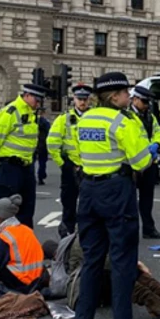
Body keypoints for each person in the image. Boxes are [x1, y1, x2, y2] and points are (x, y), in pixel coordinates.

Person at [73, 72, 152, 319]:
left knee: (92, 258)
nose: (129, 97)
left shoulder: (85, 119)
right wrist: (149, 150)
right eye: (126, 93)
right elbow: (141, 162)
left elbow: (77, 152)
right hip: (117, 191)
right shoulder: (123, 121)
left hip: (88, 190)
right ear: (115, 95)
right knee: (122, 260)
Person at [45, 236, 160, 319]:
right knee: (123, 275)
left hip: (96, 284)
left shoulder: (80, 241)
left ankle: (159, 301)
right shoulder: (81, 239)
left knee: (120, 275)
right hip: (98, 281)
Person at [0, 84, 46, 228]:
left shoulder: (31, 114)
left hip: (26, 167)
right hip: (9, 166)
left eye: (40, 101)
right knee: (4, 212)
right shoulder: (10, 112)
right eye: (36, 100)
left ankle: (24, 246)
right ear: (26, 96)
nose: (38, 104)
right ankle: (1, 247)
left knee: (26, 212)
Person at [0, 195, 46, 300]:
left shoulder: (5, 237)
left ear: (1, 217)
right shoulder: (26, 229)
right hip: (37, 279)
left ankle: (11, 295)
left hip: (21, 283)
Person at [47, 84, 92, 238]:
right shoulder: (64, 119)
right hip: (71, 168)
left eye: (85, 99)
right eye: (80, 99)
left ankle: (87, 235)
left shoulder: (94, 118)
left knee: (90, 205)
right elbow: (52, 143)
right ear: (74, 99)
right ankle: (67, 236)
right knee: (69, 204)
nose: (83, 102)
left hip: (90, 167)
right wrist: (63, 164)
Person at [129, 85, 160, 239]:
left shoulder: (150, 116)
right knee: (129, 200)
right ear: (135, 99)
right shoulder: (126, 116)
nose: (146, 105)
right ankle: (130, 230)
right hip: (132, 165)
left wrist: (157, 144)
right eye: (144, 101)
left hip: (149, 163)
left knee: (147, 199)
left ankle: (148, 229)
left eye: (148, 102)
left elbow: (158, 132)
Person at [35, 109, 51, 186]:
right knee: (42, 162)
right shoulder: (45, 122)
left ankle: (32, 177)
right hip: (43, 144)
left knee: (31, 162)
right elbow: (49, 132)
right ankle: (41, 177)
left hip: (34, 143)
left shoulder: (33, 120)